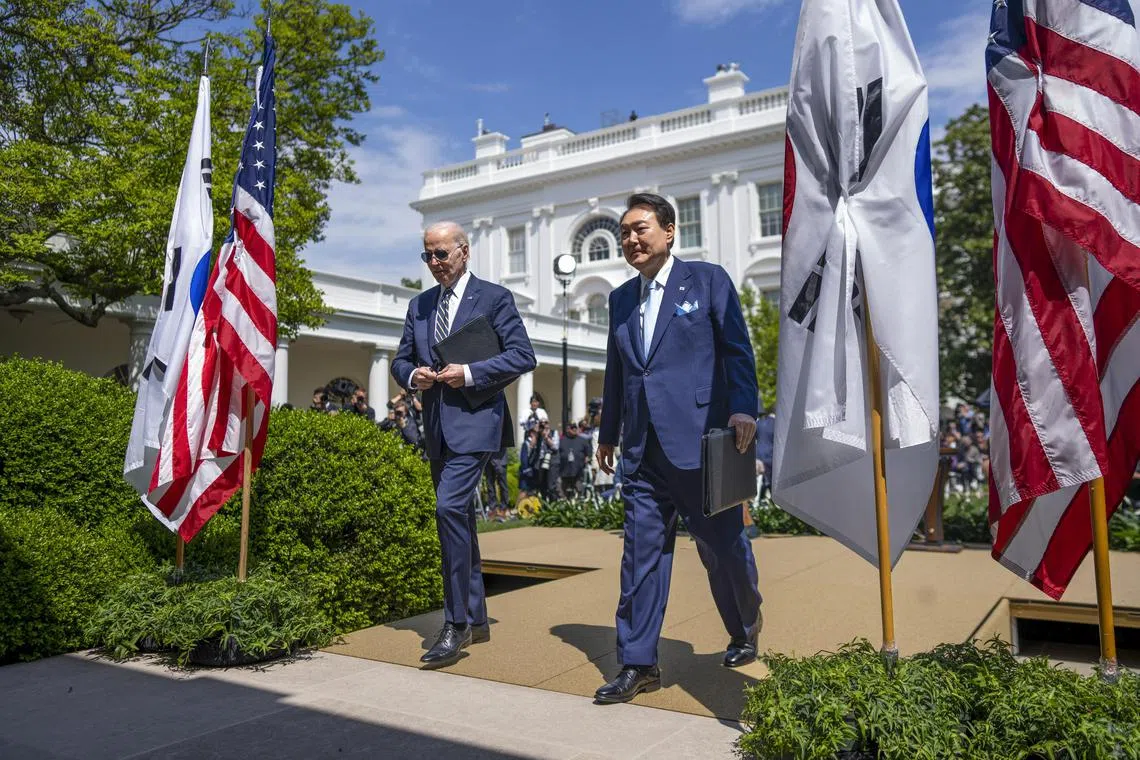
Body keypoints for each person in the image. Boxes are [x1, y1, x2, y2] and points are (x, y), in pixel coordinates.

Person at [594, 193, 763, 704]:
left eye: (640, 228)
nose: (631, 239)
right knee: (640, 557)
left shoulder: (707, 281)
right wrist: (608, 432)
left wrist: (744, 408)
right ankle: (638, 663)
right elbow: (619, 370)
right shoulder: (620, 299)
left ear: (669, 232)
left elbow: (736, 349)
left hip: (702, 443)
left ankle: (745, 626)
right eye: (624, 232)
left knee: (724, 548)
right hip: (642, 451)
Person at [391, 220, 536, 668]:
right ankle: (476, 616)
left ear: (464, 251)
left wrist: (469, 373)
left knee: (448, 508)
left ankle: (455, 624)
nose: (434, 262)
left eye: (441, 253)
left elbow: (523, 355)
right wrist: (412, 375)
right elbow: (400, 359)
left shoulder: (494, 298)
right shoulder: (419, 305)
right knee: (460, 522)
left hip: (477, 423)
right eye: (427, 255)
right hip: (436, 426)